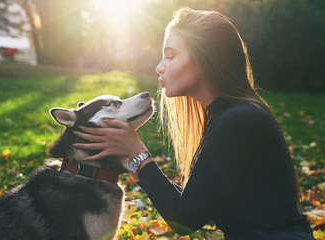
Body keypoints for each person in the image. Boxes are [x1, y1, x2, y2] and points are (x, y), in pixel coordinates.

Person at [73, 7, 315, 240]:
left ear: (205, 59)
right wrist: (135, 162)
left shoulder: (239, 120)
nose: (159, 67)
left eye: (170, 56)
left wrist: (136, 151)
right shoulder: (231, 117)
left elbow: (184, 219)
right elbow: (192, 207)